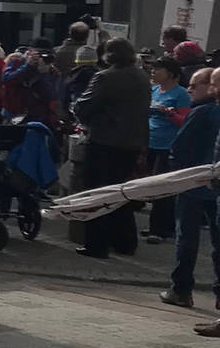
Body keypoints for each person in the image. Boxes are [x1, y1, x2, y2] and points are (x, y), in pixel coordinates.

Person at [73, 38, 149, 259]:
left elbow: (84, 106)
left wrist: (78, 109)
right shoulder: (142, 77)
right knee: (122, 191)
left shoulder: (105, 77)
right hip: (132, 142)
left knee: (97, 192)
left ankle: (96, 244)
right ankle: (125, 242)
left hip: (105, 141)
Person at [165, 67, 220, 309]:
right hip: (214, 186)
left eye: (194, 85)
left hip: (194, 182)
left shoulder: (202, 112)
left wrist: (176, 174)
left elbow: (180, 146)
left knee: (187, 237)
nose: (189, 90)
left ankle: (181, 289)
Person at [146, 57, 191, 243]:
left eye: (158, 69)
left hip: (168, 144)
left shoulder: (181, 94)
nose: (153, 72)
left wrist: (169, 113)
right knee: (148, 184)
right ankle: (159, 226)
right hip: (150, 141)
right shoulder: (154, 90)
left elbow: (185, 121)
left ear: (170, 73)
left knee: (161, 187)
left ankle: (159, 229)